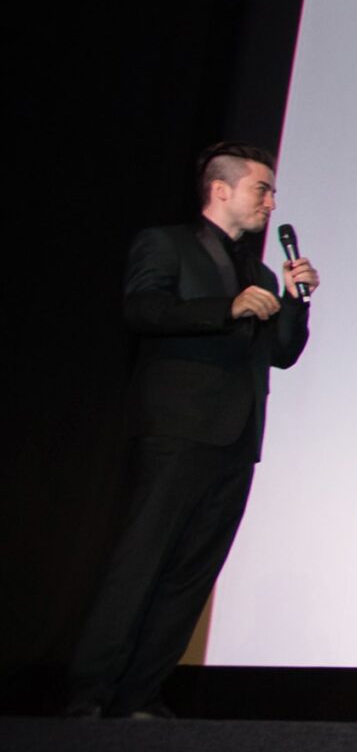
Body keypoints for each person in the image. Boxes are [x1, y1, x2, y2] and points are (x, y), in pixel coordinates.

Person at [66, 143, 319, 718]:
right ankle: (89, 693)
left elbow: (282, 354)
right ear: (221, 189)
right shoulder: (167, 244)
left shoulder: (258, 271)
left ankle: (140, 695)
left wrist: (295, 302)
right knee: (140, 561)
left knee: (192, 573)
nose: (271, 202)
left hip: (236, 439)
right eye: (262, 189)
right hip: (178, 430)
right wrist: (225, 309)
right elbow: (143, 310)